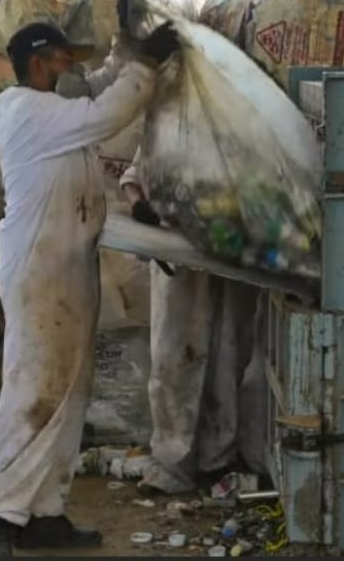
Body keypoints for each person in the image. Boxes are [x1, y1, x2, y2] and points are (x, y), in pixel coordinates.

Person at [0, 5, 180, 557]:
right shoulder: (32, 113)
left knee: (69, 392)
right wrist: (147, 66)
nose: (69, 67)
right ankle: (0, 515)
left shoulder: (32, 112)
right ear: (39, 64)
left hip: (66, 267)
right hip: (42, 271)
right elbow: (111, 111)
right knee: (33, 388)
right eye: (62, 57)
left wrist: (128, 53)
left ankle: (45, 513)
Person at [120, 148, 268, 496]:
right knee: (174, 360)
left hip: (231, 255)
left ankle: (219, 458)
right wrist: (140, 206)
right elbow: (134, 177)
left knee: (228, 357)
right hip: (179, 258)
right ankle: (173, 462)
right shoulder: (169, 124)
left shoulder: (242, 128)